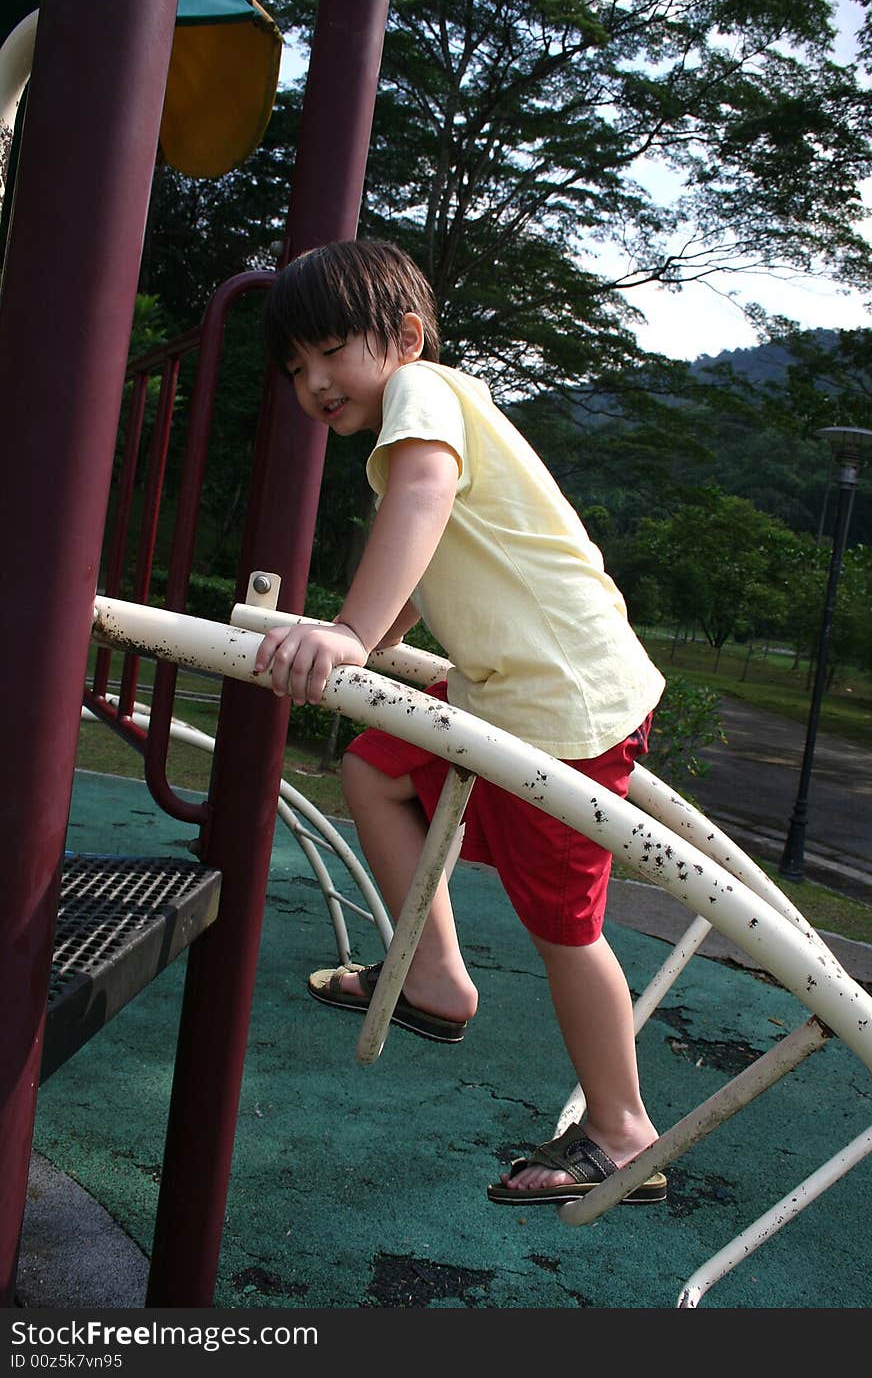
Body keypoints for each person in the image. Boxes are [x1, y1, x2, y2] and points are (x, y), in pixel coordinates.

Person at [255, 238, 668, 1206]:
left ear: (400, 336)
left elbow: (424, 500)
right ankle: (432, 973)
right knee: (374, 765)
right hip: (507, 688)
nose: (313, 382)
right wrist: (365, 632)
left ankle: (621, 1126)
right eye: (294, 369)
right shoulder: (424, 413)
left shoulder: (421, 394)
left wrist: (351, 631)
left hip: (559, 704)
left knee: (563, 925)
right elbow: (428, 556)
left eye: (327, 352)